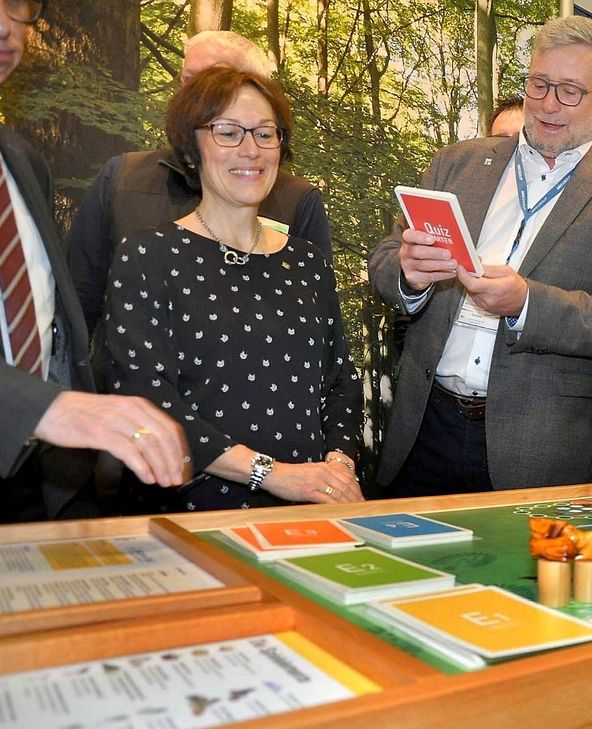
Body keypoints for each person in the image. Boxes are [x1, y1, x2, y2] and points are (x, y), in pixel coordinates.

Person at [369, 15, 592, 497]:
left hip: (541, 445)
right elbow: (385, 257)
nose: (549, 105)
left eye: (570, 91)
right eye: (539, 84)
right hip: (425, 429)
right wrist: (409, 274)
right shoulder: (458, 162)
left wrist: (528, 303)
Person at [104, 66, 362, 512]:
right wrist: (271, 474)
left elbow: (339, 381)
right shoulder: (149, 256)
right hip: (192, 513)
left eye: (265, 133)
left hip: (309, 511)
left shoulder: (307, 262)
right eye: (228, 132)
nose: (251, 150)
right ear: (191, 148)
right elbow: (146, 400)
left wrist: (336, 470)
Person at [0, 0, 189, 523]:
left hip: (39, 485)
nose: (4, 25)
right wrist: (45, 408)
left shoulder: (21, 164)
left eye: (15, 5)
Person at [66, 30, 332, 334]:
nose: (196, 93)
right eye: (188, 80)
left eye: (214, 80)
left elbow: (315, 327)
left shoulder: (296, 199)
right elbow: (77, 306)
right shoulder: (123, 178)